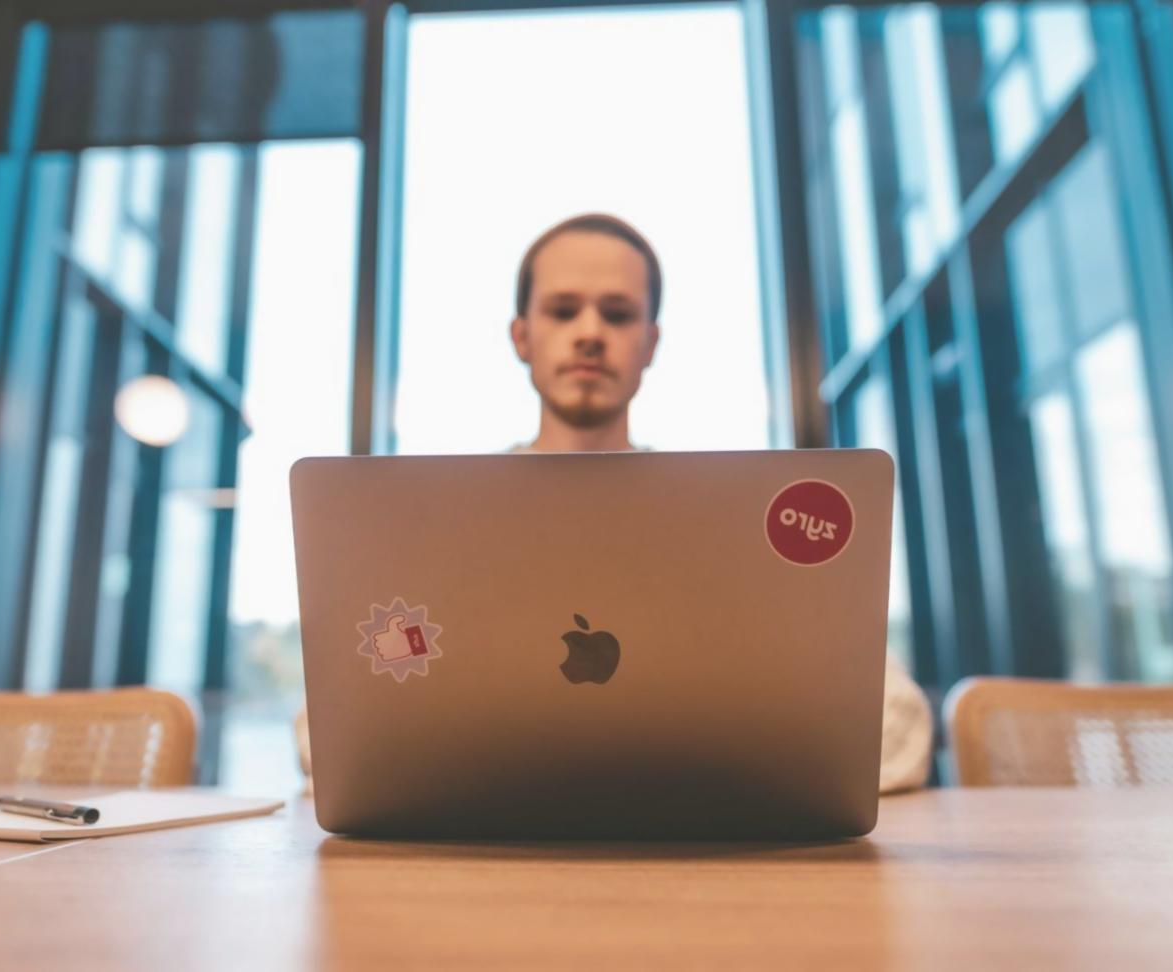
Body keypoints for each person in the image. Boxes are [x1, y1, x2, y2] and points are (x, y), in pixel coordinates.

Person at [296, 213, 934, 794]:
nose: (591, 334)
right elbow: (325, 728)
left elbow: (899, 726)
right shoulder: (436, 531)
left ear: (651, 343)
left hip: (698, 870)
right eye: (564, 310)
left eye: (619, 314)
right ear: (522, 336)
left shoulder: (720, 525)